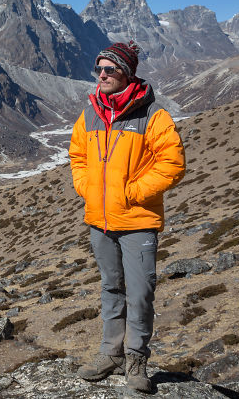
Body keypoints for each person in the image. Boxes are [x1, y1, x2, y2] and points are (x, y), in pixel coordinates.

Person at [68, 40, 186, 392]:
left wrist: (132, 193)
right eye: (98, 69)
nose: (101, 75)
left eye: (109, 69)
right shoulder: (90, 112)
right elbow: (77, 155)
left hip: (137, 221)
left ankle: (136, 359)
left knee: (140, 293)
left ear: (127, 74)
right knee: (110, 288)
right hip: (99, 221)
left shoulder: (152, 115)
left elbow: (173, 163)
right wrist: (87, 187)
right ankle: (111, 353)